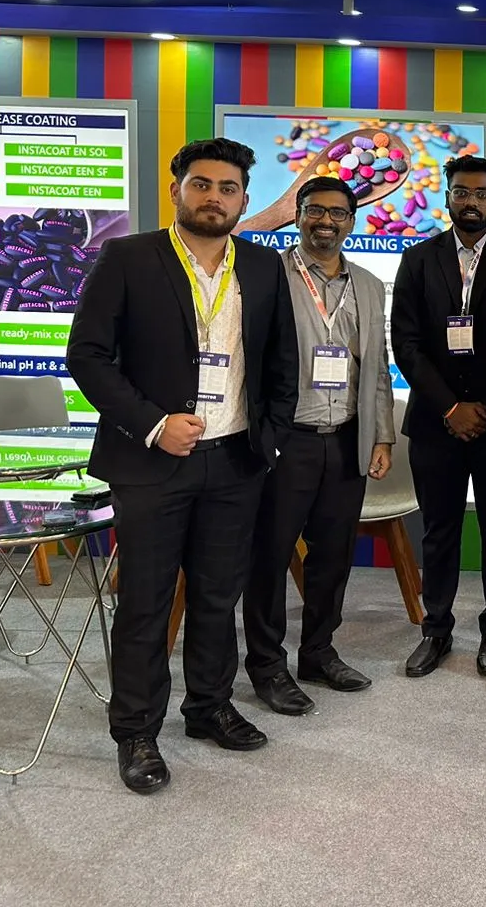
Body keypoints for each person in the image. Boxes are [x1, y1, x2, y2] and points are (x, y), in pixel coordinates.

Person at [66, 138, 299, 794]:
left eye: (228, 189)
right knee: (145, 601)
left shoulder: (262, 266)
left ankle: (208, 707)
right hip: (151, 463)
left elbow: (283, 363)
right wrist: (152, 424)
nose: (213, 198)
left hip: (235, 461)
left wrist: (270, 441)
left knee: (218, 595)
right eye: (201, 184)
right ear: (176, 190)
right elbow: (87, 355)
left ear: (244, 201)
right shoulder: (128, 257)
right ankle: (136, 731)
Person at [240, 176, 395, 716]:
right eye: (314, 210)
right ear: (298, 215)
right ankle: (266, 664)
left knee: (332, 556)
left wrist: (381, 434)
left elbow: (376, 366)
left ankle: (318, 652)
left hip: (347, 439)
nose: (325, 221)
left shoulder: (369, 285)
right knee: (271, 555)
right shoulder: (268, 274)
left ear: (351, 222)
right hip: (287, 439)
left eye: (337, 213)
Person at [390, 155, 486, 680]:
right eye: (461, 192)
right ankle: (435, 629)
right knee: (439, 530)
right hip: (436, 421)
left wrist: (484, 406)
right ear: (447, 197)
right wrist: (450, 407)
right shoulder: (418, 258)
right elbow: (406, 343)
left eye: (482, 194)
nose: (471, 202)